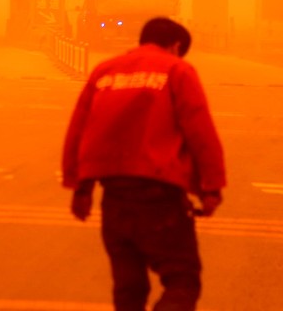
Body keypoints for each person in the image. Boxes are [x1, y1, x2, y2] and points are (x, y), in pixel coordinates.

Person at [61, 17, 226, 311]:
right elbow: (200, 133)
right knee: (183, 281)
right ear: (175, 46)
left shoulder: (105, 71)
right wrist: (210, 188)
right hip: (159, 200)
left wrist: (80, 188)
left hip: (114, 201)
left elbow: (81, 129)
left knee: (129, 289)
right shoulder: (177, 70)